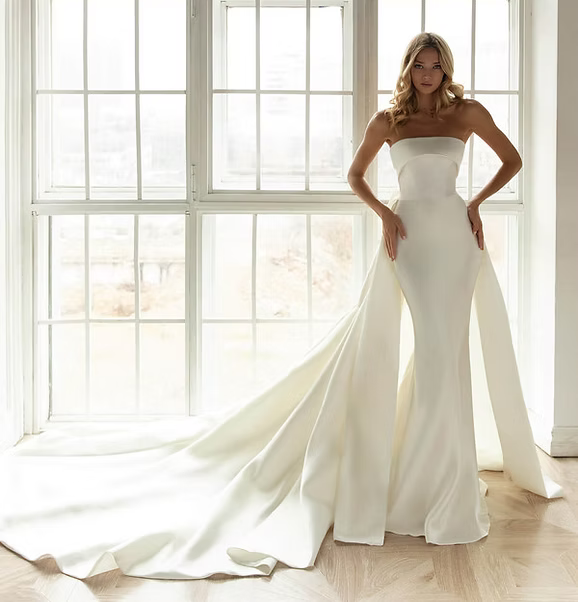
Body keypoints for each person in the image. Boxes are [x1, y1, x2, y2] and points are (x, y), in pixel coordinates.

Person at [0, 34, 563, 582]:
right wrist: (387, 214)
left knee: (447, 356)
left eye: (436, 66)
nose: (428, 75)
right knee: (436, 354)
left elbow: (512, 160)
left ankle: (440, 478)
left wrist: (476, 204)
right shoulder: (388, 121)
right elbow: (355, 176)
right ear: (408, 68)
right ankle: (427, 479)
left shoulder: (467, 113)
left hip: (456, 244)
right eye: (420, 65)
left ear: (447, 69)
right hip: (409, 242)